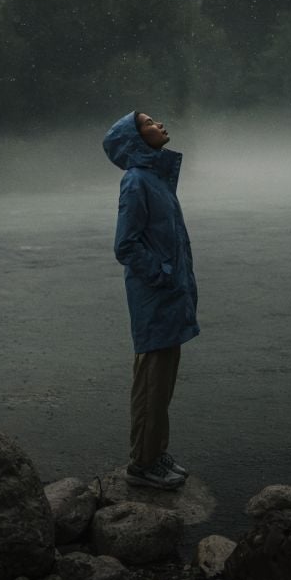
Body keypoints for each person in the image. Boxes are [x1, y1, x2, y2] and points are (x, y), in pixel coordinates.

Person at [102, 111, 200, 490]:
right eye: (148, 122)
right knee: (151, 383)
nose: (159, 123)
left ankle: (155, 453)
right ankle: (141, 465)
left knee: (163, 382)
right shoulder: (136, 181)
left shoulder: (156, 179)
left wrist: (175, 278)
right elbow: (125, 245)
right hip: (154, 297)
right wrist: (161, 274)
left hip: (168, 295)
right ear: (135, 139)